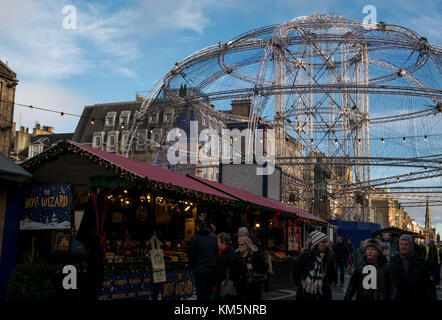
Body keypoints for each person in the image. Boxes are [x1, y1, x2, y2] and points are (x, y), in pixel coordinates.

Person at [389, 234, 437, 300]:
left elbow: (429, 287)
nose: (403, 247)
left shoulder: (421, 262)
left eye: (406, 244)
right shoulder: (393, 262)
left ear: (411, 246)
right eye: (401, 244)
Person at [293, 231, 336, 300]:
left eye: (326, 242)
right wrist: (301, 284)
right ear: (316, 244)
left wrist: (325, 284)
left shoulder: (328, 257)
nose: (325, 244)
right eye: (323, 242)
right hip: (306, 291)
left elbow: (332, 273)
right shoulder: (304, 256)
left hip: (323, 292)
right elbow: (296, 271)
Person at [187, 220, 218, 300]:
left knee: (201, 293)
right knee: (209, 293)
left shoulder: (195, 238)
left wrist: (192, 266)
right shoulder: (214, 237)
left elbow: (190, 255)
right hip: (211, 270)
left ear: (199, 228)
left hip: (199, 270)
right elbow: (217, 253)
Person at [231, 236, 268, 300]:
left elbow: (265, 267)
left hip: (253, 286)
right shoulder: (237, 255)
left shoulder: (255, 254)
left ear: (247, 245)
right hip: (240, 286)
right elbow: (233, 271)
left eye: (242, 244)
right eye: (239, 244)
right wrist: (235, 282)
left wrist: (253, 267)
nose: (239, 246)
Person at [211, 233, 236, 300]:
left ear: (223, 243)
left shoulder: (230, 253)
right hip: (218, 286)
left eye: (218, 242)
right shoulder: (221, 252)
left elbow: (229, 270)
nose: (217, 244)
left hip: (224, 287)